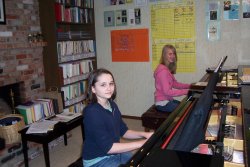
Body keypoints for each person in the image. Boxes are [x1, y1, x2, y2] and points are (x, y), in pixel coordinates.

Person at [82, 68, 154, 167]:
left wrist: (145, 134)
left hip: (114, 153)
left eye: (111, 83)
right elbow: (109, 148)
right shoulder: (92, 112)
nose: (109, 88)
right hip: (97, 160)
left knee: (140, 162)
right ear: (93, 89)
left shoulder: (112, 104)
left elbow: (123, 131)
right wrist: (142, 143)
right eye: (103, 85)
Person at [154, 44, 191, 113]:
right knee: (185, 111)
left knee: (186, 106)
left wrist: (190, 86)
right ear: (164, 55)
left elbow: (175, 84)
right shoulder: (163, 71)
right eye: (170, 54)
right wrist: (186, 91)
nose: (173, 56)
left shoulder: (166, 69)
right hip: (162, 103)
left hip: (167, 99)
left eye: (174, 54)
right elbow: (167, 91)